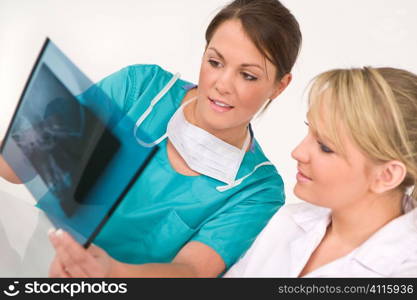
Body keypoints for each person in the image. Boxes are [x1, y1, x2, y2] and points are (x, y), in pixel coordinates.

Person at [0, 0, 302, 277]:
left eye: (247, 75)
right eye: (215, 62)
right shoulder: (140, 89)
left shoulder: (258, 189)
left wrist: (111, 273)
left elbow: (192, 272)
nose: (222, 84)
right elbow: (17, 165)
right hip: (36, 258)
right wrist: (23, 148)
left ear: (279, 86)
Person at [224, 66, 417, 277]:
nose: (297, 152)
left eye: (325, 147)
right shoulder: (287, 221)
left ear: (386, 176)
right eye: (309, 131)